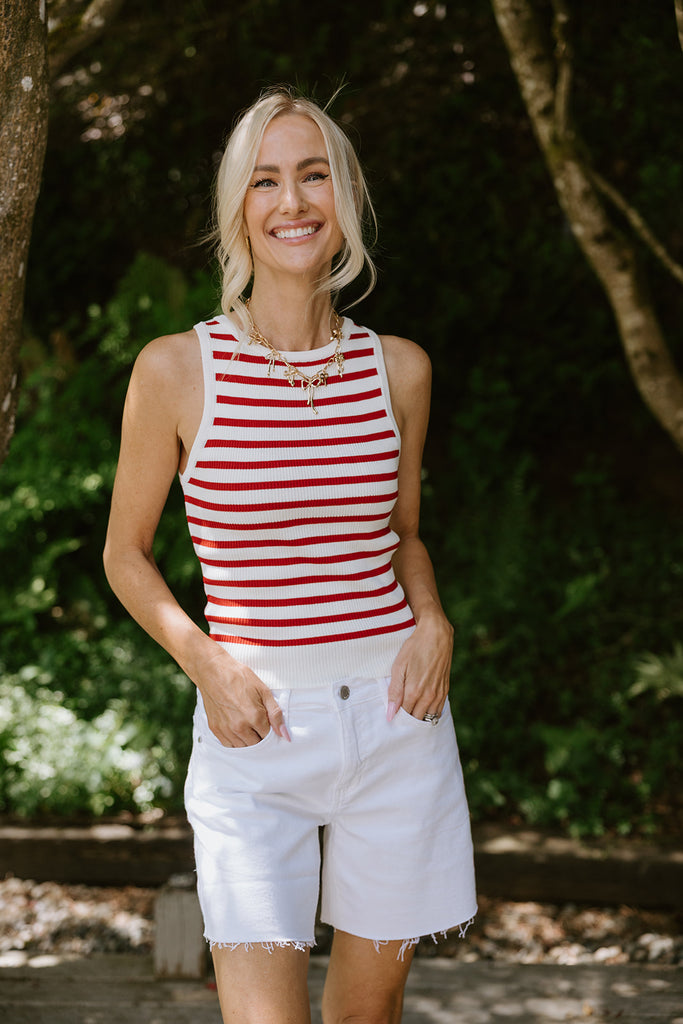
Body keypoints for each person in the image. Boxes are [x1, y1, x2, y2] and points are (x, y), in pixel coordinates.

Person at [103, 86, 477, 1024]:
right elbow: (125, 555)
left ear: (345, 196)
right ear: (239, 208)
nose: (292, 201)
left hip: (396, 718)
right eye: (265, 180)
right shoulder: (177, 371)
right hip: (252, 728)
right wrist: (208, 665)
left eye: (313, 175)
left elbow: (399, 537)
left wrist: (433, 621)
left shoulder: (400, 369)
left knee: (367, 1014)